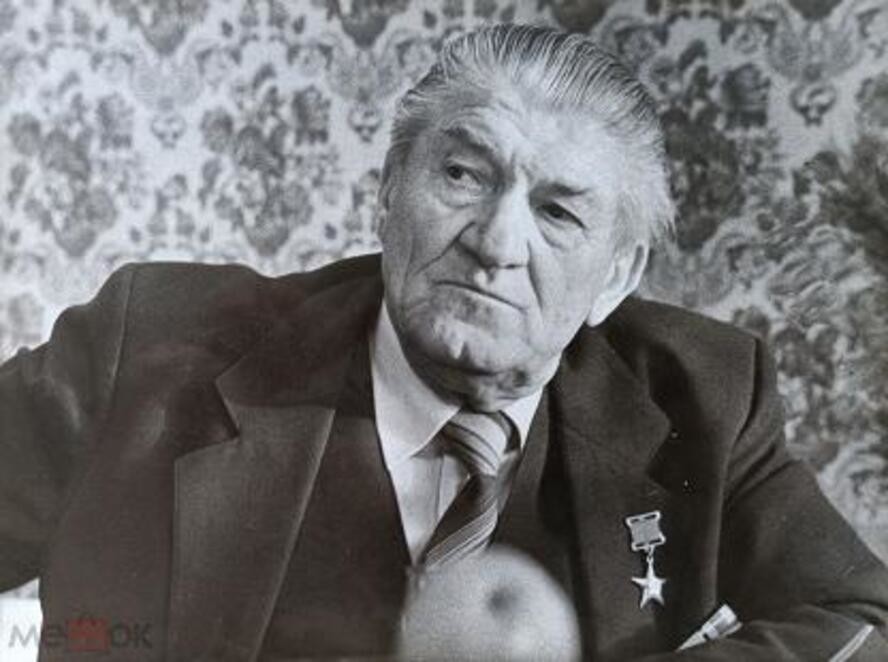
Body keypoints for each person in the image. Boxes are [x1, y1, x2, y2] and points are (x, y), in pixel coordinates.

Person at [1, 24, 887, 661]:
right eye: (463, 174)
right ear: (388, 191)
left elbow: (863, 618)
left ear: (617, 277)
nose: (496, 242)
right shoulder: (153, 349)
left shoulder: (703, 396)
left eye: (558, 213)